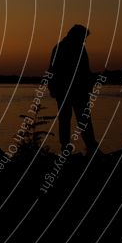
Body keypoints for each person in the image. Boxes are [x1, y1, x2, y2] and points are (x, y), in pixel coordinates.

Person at [47, 24, 99, 153]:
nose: (84, 40)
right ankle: (82, 148)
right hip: (69, 91)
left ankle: (86, 147)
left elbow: (84, 71)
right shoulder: (64, 48)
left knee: (72, 120)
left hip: (74, 91)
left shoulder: (69, 47)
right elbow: (54, 70)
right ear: (76, 35)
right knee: (74, 120)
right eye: (83, 37)